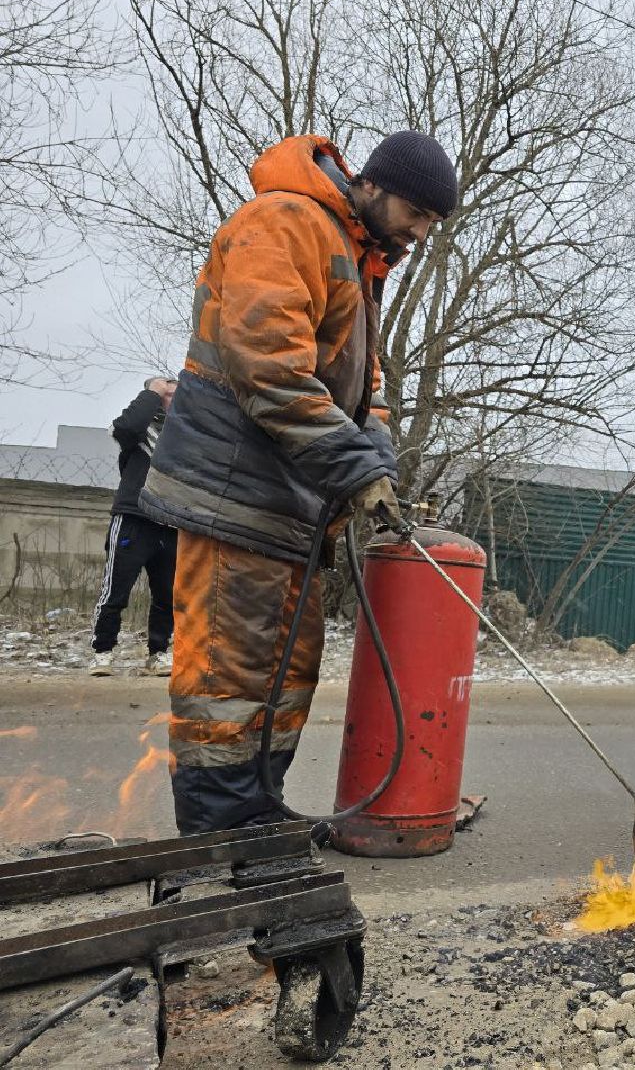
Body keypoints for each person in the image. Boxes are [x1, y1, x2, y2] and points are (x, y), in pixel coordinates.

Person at [140, 130, 457, 834]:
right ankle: (222, 845)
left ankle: (257, 820)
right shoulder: (285, 223)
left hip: (288, 508)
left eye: (434, 222)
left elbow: (360, 386)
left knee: (284, 682)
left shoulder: (357, 254)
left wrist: (374, 451)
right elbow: (270, 370)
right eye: (417, 212)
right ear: (372, 185)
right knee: (230, 682)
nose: (422, 230)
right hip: (236, 495)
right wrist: (352, 468)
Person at [90, 377, 179, 677]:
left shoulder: (187, 431)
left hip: (171, 522)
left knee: (168, 594)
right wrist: (152, 392)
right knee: (115, 588)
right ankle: (103, 651)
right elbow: (126, 427)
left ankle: (159, 652)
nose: (173, 396)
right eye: (168, 392)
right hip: (133, 518)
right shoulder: (138, 429)